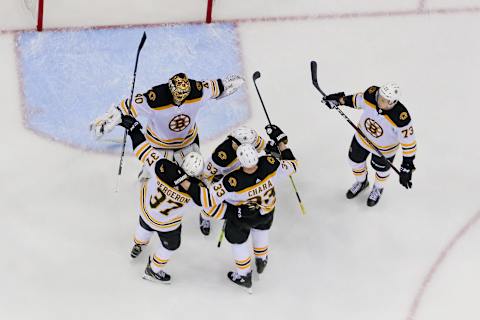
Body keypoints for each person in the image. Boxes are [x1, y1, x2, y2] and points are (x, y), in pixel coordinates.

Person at [90, 72, 245, 231]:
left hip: (188, 144)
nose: (180, 99)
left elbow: (217, 87)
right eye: (177, 95)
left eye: (184, 96)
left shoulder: (196, 90)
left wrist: (230, 84)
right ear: (170, 90)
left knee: (198, 179)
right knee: (154, 172)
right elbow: (126, 108)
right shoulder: (155, 98)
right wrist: (108, 120)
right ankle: (148, 187)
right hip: (159, 146)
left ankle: (207, 213)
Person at [179, 124, 298, 290]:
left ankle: (244, 276)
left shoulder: (231, 181)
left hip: (241, 216)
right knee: (261, 231)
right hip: (267, 210)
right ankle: (262, 258)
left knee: (238, 242)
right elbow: (292, 165)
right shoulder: (269, 163)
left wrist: (186, 182)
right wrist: (280, 143)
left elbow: (205, 199)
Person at [112, 111, 204, 284]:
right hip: (167, 225)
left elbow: (143, 150)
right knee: (171, 246)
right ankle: (154, 270)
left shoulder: (163, 166)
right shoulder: (196, 192)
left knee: (144, 226)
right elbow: (212, 200)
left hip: (146, 211)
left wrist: (133, 128)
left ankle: (138, 245)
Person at [322, 83, 417, 206]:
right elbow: (356, 100)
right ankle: (362, 182)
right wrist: (339, 100)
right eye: (380, 98)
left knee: (381, 171)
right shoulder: (371, 95)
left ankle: (378, 188)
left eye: (385, 101)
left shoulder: (401, 118)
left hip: (384, 150)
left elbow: (409, 144)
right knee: (354, 161)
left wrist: (407, 165)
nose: (380, 102)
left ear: (392, 102)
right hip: (362, 138)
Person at [198, 126, 267, 236]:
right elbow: (204, 176)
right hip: (222, 179)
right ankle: (204, 215)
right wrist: (212, 189)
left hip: (242, 172)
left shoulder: (249, 137)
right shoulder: (221, 157)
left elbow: (262, 145)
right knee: (212, 203)